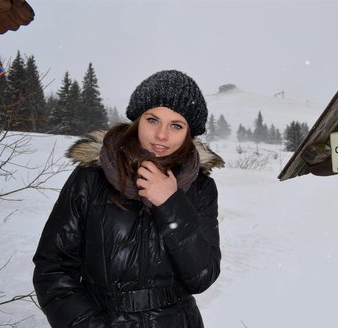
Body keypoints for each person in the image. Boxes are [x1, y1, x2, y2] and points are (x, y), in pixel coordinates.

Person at [33, 70, 224, 327]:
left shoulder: (200, 187)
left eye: (176, 125)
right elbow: (53, 269)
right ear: (137, 120)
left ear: (190, 132)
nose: (161, 136)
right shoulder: (91, 177)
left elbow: (201, 277)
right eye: (153, 120)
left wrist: (171, 203)